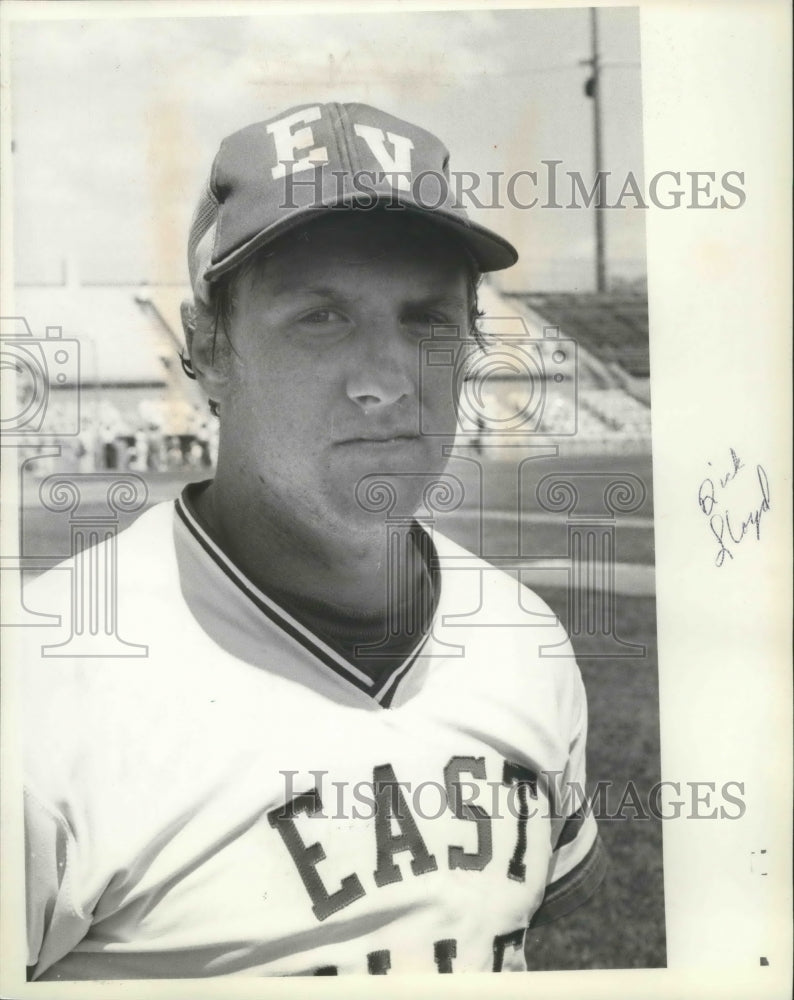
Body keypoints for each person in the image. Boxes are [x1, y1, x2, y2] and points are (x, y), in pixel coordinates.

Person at [21, 102, 605, 979]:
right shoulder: (35, 679)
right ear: (209, 349)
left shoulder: (523, 636)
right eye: (320, 318)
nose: (385, 382)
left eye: (427, 319)